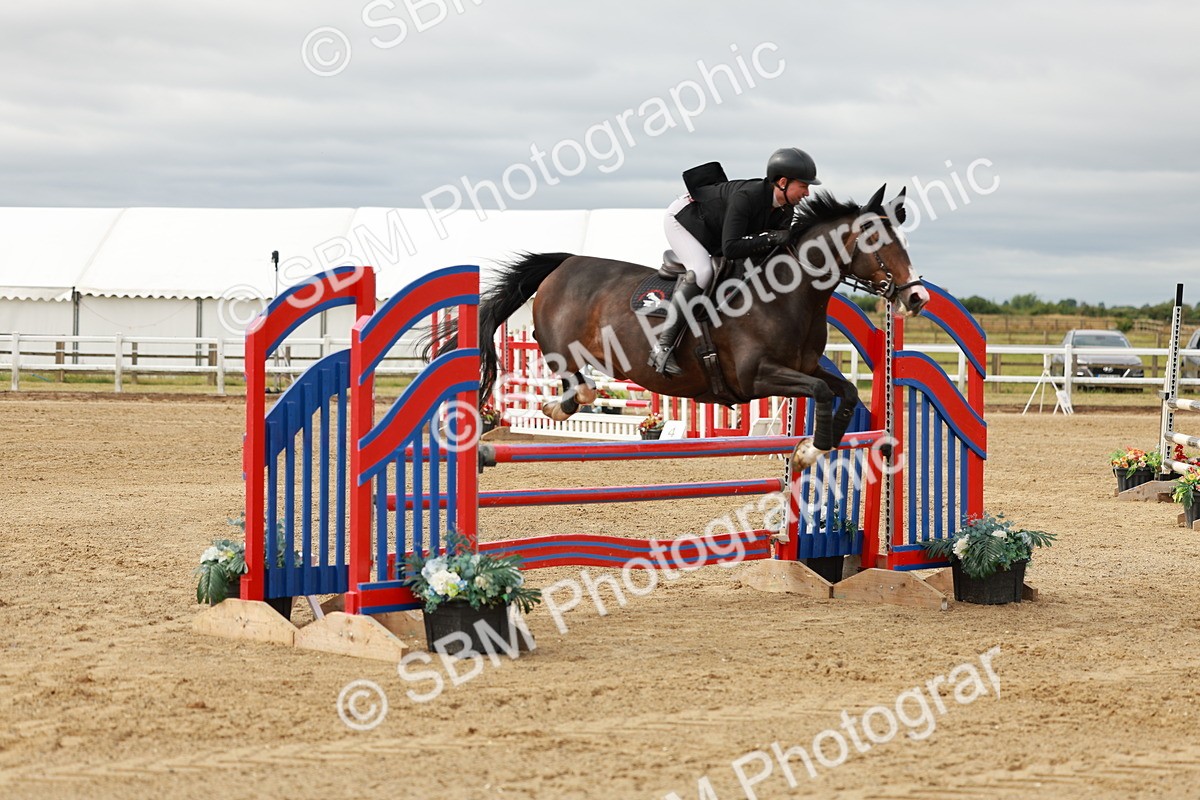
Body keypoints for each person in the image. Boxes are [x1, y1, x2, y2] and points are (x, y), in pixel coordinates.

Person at [649, 147, 821, 376]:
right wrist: (770, 237)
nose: (807, 193)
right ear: (782, 182)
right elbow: (731, 248)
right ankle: (662, 346)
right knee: (701, 271)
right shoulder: (747, 197)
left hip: (714, 227)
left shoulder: (786, 211)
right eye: (804, 185)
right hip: (684, 219)